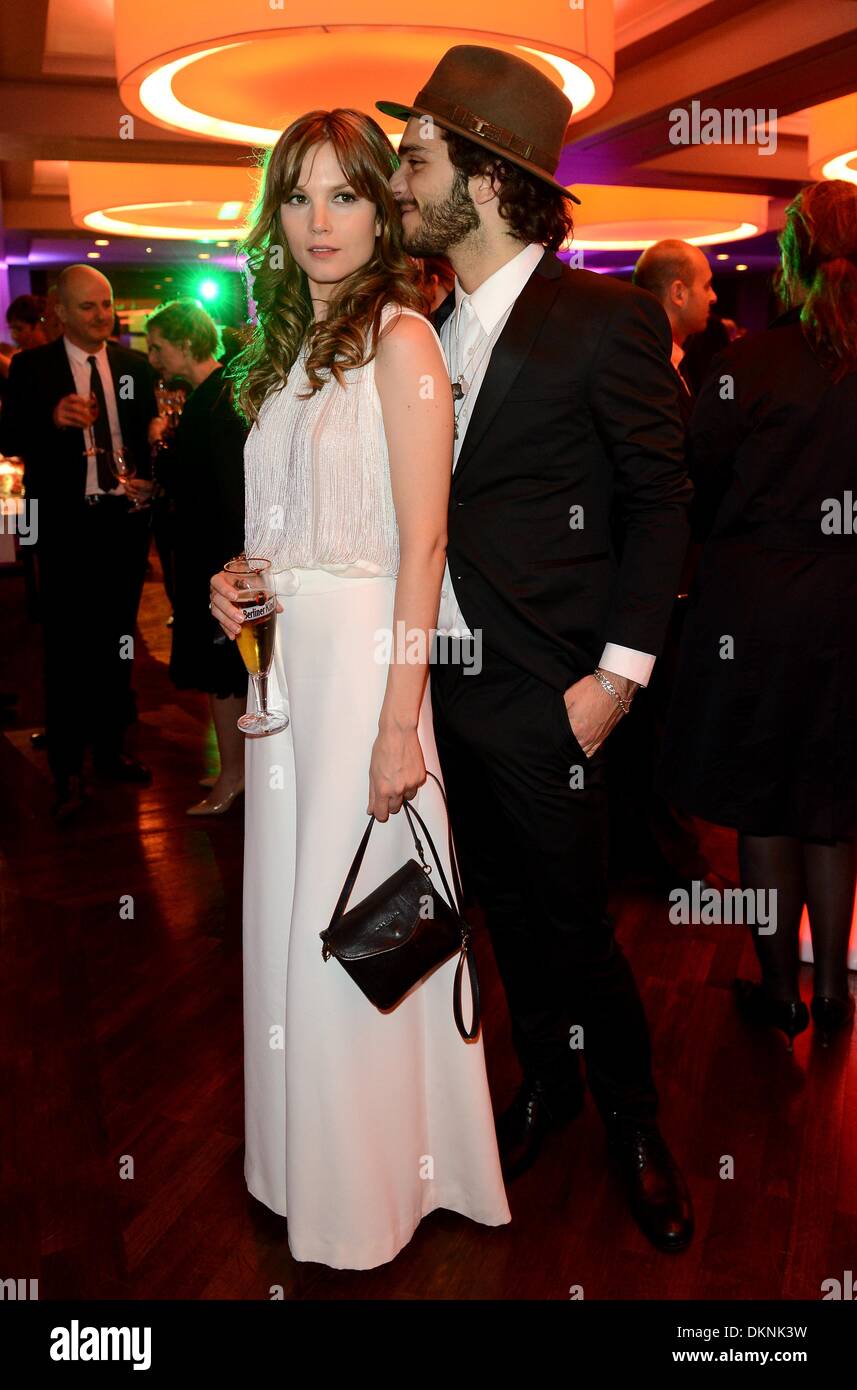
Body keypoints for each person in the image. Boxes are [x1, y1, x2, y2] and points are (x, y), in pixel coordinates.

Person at [380, 44, 694, 1251]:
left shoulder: (601, 322)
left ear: (491, 177)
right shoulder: (418, 330)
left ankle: (631, 1114)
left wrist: (613, 682)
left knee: (574, 922)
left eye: (416, 160)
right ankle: (546, 1087)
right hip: (446, 691)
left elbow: (662, 506)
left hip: (550, 695)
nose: (399, 184)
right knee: (500, 915)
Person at [210, 107, 511, 1269]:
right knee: (301, 921)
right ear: (272, 216)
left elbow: (423, 548)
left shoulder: (403, 340)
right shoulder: (282, 351)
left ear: (382, 211)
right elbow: (280, 532)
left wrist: (400, 731)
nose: (319, 221)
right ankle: (300, 1164)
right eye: (298, 197)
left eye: (344, 195)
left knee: (364, 931)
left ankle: (378, 1185)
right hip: (287, 680)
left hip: (370, 692)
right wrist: (234, 581)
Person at [658, 179, 857, 1049]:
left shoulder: (748, 367)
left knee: (764, 807)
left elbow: (691, 491)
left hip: (758, 611)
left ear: (791, 259)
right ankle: (837, 999)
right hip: (848, 609)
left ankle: (780, 993)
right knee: (834, 801)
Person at [0, 265, 155, 819]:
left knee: (118, 644)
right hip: (63, 527)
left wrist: (148, 477)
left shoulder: (136, 366)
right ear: (60, 312)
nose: (100, 316)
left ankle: (112, 750)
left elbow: (146, 442)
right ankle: (67, 770)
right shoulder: (32, 367)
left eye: (106, 304)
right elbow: (9, 436)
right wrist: (51, 419)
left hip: (121, 524)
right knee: (67, 649)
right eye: (87, 307)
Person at [601, 241, 727, 891]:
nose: (713, 296)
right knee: (645, 729)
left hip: (661, 582)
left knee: (654, 727)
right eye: (704, 284)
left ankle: (654, 852)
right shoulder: (641, 365)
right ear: (674, 292)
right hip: (636, 584)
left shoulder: (672, 364)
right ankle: (662, 863)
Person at [146, 300, 248, 815]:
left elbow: (227, 490)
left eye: (159, 346)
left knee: (223, 670)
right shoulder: (212, 393)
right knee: (224, 669)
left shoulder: (220, 396)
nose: (154, 357)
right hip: (211, 553)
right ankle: (236, 768)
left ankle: (233, 777)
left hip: (217, 556)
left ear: (185, 343)